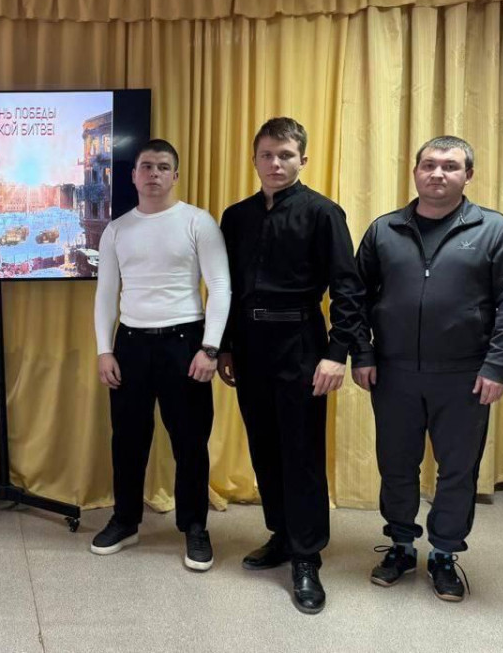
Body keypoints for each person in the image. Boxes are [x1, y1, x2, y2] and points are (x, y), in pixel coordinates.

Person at [352, 136, 503, 602]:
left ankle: (445, 554)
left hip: (465, 376)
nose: (437, 173)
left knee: (457, 470)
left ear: (467, 175)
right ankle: (400, 546)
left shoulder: (495, 230)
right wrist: (363, 354)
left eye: (450, 166)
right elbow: (354, 297)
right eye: (429, 164)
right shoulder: (384, 230)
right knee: (396, 465)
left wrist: (497, 366)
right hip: (393, 374)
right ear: (415, 171)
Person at [218, 117, 364, 614]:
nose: (275, 163)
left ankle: (306, 556)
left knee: (301, 451)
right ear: (254, 159)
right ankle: (281, 535)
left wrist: (337, 352)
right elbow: (227, 288)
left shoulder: (324, 213)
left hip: (301, 342)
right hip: (249, 344)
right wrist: (225, 346)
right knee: (264, 446)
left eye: (285, 155)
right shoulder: (236, 217)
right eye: (267, 155)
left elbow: (348, 289)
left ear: (303, 158)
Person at [91, 139, 231, 572]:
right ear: (133, 176)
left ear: (175, 175)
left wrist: (210, 348)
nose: (154, 173)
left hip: (185, 344)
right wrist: (104, 350)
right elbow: (106, 294)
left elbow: (220, 286)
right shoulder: (116, 230)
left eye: (163, 167)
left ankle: (195, 526)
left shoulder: (197, 222)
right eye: (146, 166)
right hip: (131, 344)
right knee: (127, 439)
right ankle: (125, 519)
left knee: (190, 442)